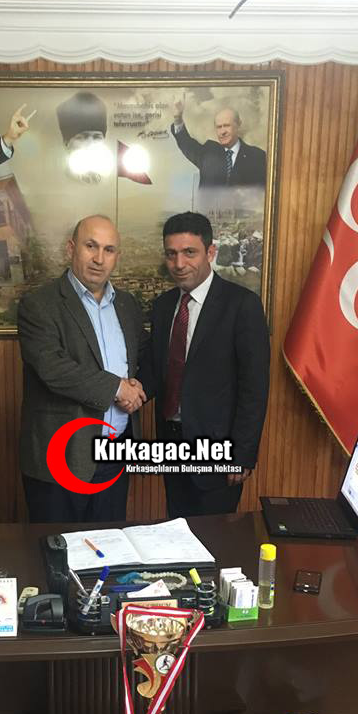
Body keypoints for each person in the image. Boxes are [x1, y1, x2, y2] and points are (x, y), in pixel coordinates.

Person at [139, 211, 270, 518]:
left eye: (189, 252)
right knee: (176, 530)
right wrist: (128, 390)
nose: (179, 263)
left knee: (214, 537)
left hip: (219, 451)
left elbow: (254, 388)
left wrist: (242, 455)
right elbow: (158, 371)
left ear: (211, 252)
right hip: (171, 443)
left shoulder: (242, 305)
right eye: (171, 254)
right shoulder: (163, 306)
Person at [18, 215, 146, 523]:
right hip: (61, 457)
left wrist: (137, 387)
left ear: (117, 256)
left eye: (109, 250)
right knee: (57, 548)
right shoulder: (39, 304)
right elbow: (53, 369)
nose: (99, 259)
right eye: (91, 246)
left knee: (109, 546)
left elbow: (140, 358)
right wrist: (117, 388)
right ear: (71, 248)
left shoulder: (127, 305)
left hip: (115, 455)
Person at [171, 103, 266, 188]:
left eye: (226, 126)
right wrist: (178, 118)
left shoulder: (257, 156)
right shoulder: (208, 153)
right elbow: (186, 143)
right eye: (219, 127)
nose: (222, 132)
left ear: (238, 125)